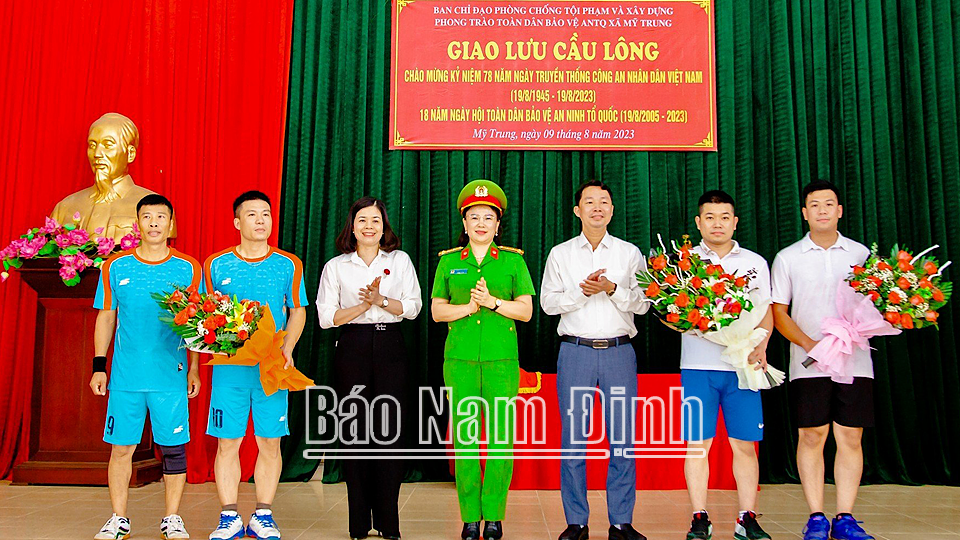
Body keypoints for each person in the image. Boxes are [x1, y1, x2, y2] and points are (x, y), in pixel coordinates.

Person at [540, 180, 649, 540]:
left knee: (622, 441)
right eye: (589, 202)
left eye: (604, 201)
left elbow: (645, 303)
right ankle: (577, 522)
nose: (597, 208)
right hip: (576, 352)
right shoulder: (561, 254)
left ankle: (621, 522)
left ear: (613, 209)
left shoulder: (630, 253)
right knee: (573, 442)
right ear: (578, 211)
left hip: (619, 352)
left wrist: (613, 289)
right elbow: (548, 304)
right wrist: (581, 293)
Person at [89, 194, 201, 540]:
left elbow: (197, 322)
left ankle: (172, 518)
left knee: (173, 448)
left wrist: (194, 368)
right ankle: (118, 518)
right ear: (138, 223)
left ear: (171, 223)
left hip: (171, 376)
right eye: (147, 216)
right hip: (125, 377)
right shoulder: (116, 266)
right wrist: (98, 366)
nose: (154, 223)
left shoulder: (188, 267)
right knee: (121, 447)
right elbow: (106, 317)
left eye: (161, 216)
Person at [431, 180, 535, 540]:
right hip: (459, 361)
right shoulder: (448, 262)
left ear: (497, 224)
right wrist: (467, 307)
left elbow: (525, 311)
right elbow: (436, 311)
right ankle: (470, 517)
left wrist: (493, 303)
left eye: (487, 217)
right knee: (465, 441)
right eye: (473, 217)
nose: (480, 223)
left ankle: (493, 514)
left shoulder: (512, 261)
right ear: (464, 223)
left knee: (502, 441)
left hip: (500, 361)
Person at [771, 180, 874, 540]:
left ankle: (845, 517)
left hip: (855, 361)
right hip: (808, 361)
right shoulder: (788, 257)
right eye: (814, 206)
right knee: (812, 434)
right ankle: (816, 516)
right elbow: (779, 312)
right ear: (804, 213)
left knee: (849, 435)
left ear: (840, 210)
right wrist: (811, 345)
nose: (822, 211)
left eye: (829, 204)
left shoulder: (860, 255)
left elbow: (877, 305)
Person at [316, 197, 422, 540]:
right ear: (352, 226)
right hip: (352, 347)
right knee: (355, 433)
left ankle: (389, 524)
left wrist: (380, 302)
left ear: (384, 226)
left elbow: (413, 307)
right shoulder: (337, 266)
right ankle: (359, 524)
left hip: (391, 345)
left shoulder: (400, 260)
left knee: (389, 432)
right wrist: (363, 305)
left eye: (375, 220)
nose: (369, 227)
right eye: (362, 220)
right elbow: (326, 317)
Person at [204, 191, 308, 540]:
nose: (261, 220)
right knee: (227, 443)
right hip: (229, 370)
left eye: (266, 214)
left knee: (269, 441)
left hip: (271, 370)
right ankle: (229, 516)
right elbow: (205, 315)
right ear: (237, 222)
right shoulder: (216, 264)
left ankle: (264, 515)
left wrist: (288, 347)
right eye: (252, 214)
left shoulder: (288, 264)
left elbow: (298, 310)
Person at [678, 190, 773, 540]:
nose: (717, 223)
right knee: (697, 445)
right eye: (710, 217)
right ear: (698, 222)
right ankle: (698, 516)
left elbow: (767, 310)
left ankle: (746, 517)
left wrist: (760, 345)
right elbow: (668, 309)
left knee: (745, 445)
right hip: (698, 366)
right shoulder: (684, 263)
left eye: (724, 217)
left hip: (743, 366)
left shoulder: (754, 262)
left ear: (735, 221)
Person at [51, 112, 175, 242]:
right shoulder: (64, 208)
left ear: (130, 153)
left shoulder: (156, 207)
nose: (97, 154)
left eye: (108, 145)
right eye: (92, 145)